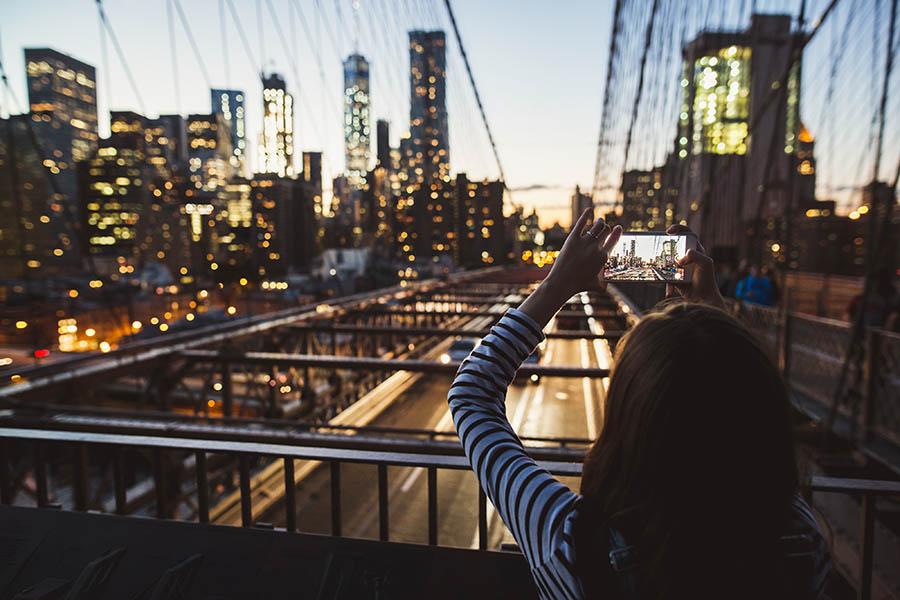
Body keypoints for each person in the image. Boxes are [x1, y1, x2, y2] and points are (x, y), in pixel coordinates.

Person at [448, 210, 830, 599]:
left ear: (627, 417)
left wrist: (557, 285)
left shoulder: (572, 548)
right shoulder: (800, 547)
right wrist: (714, 321)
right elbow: (756, 420)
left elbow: (471, 394)